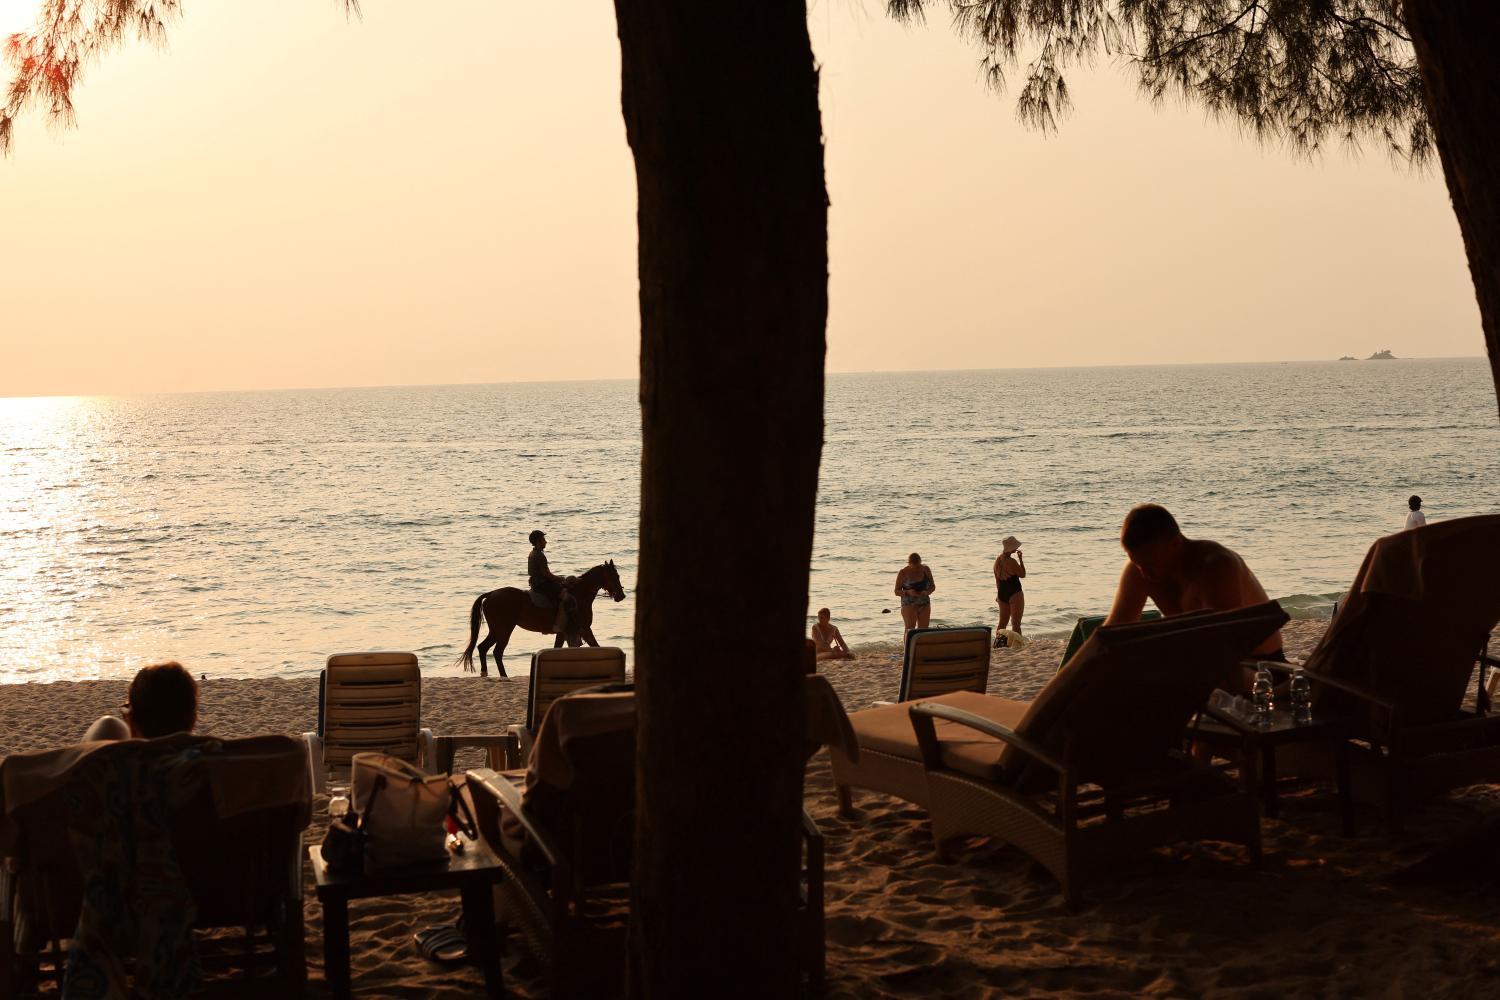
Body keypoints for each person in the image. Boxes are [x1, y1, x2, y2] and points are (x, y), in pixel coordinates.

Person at [1104, 504, 1284, 669]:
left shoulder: (1216, 566)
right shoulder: (1139, 570)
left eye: (1151, 565)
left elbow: (1226, 642)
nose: (1145, 575)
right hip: (1201, 665)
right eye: (1138, 564)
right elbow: (1111, 634)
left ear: (1175, 544)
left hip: (1260, 667)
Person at [82, 660, 199, 742]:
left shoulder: (115, 767)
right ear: (193, 720)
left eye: (126, 707)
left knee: (108, 723)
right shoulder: (211, 765)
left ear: (131, 719)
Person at [527, 529, 576, 633]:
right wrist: (561, 579)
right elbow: (546, 574)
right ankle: (559, 624)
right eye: (543, 539)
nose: (546, 542)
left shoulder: (533, 553)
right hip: (542, 584)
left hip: (538, 583)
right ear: (538, 542)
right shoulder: (539, 555)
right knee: (567, 597)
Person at [993, 536, 1026, 643]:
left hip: (1002, 593)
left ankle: (997, 644)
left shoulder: (997, 561)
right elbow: (1022, 574)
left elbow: (997, 580)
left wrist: (998, 595)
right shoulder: (1012, 561)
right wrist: (1021, 560)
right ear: (1012, 548)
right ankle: (1018, 645)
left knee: (1002, 624)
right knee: (1016, 625)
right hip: (1014, 592)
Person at [894, 553, 935, 632]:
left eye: (918, 566)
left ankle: (921, 644)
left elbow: (933, 586)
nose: (916, 568)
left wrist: (927, 592)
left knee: (924, 629)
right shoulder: (903, 572)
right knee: (910, 628)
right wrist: (908, 592)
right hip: (909, 603)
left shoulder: (925, 569)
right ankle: (908, 644)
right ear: (909, 563)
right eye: (914, 566)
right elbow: (896, 591)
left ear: (920, 562)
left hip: (924, 602)